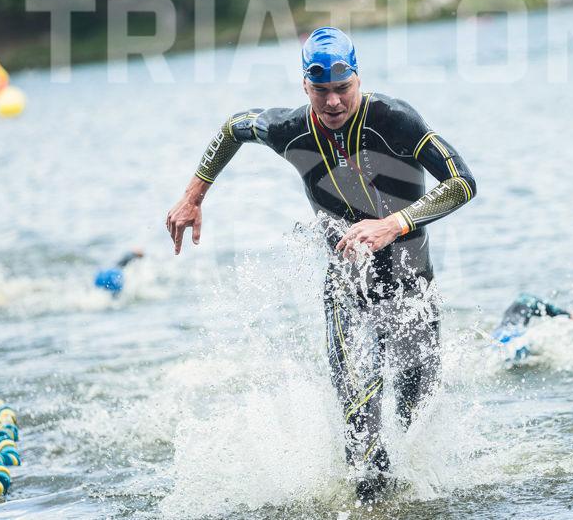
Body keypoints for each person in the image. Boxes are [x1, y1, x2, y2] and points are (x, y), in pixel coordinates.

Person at [166, 27, 477, 502]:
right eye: (321, 90)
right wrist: (193, 197)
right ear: (305, 87)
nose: (333, 102)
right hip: (347, 290)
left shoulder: (393, 119)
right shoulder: (290, 129)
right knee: (361, 428)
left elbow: (463, 182)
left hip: (413, 288)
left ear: (358, 80)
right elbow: (233, 128)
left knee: (416, 420)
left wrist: (393, 224)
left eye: (342, 88)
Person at [491, 293, 573, 362]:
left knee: (503, 334)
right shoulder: (535, 302)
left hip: (503, 327)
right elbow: (555, 311)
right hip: (516, 328)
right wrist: (570, 316)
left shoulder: (516, 303)